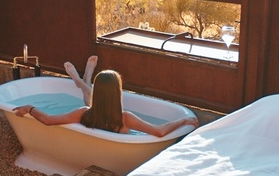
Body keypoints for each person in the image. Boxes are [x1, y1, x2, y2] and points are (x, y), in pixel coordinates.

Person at [13, 56, 199, 137]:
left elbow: (48, 120)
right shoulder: (125, 118)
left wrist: (29, 107)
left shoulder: (84, 113)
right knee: (86, 96)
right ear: (117, 92)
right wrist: (182, 121)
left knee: (86, 99)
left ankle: (81, 80)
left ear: (99, 93)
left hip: (91, 125)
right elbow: (159, 132)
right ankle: (81, 81)